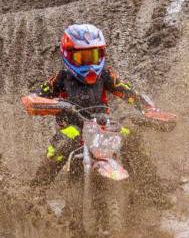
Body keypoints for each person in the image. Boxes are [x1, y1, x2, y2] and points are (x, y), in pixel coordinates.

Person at [29, 24, 152, 187]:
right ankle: (36, 191)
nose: (89, 63)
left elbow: (125, 91)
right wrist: (38, 102)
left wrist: (147, 108)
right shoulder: (61, 77)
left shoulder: (105, 75)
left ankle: (150, 189)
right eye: (82, 58)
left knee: (131, 136)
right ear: (68, 55)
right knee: (61, 143)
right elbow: (39, 95)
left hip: (103, 128)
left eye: (93, 56)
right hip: (74, 129)